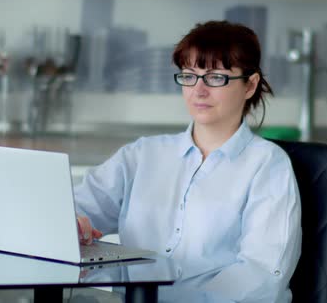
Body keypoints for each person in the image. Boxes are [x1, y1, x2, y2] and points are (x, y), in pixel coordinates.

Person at [73, 20, 302, 302]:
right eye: (189, 75)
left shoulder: (267, 165)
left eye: (216, 77)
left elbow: (261, 275)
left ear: (249, 85)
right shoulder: (142, 155)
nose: (199, 90)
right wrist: (73, 222)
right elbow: (73, 209)